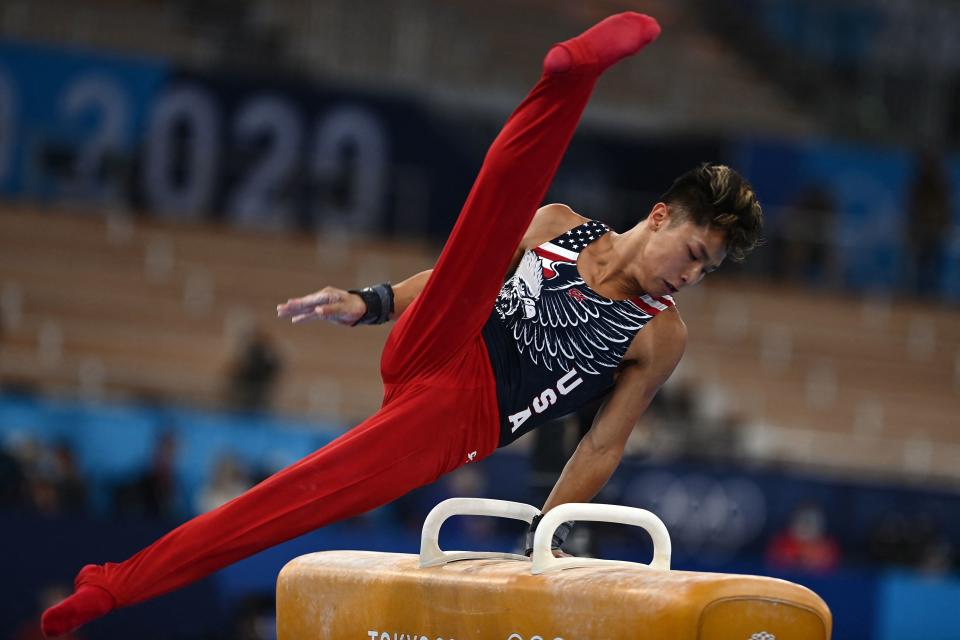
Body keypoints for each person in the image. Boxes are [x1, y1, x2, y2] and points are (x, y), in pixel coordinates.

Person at [41, 12, 763, 636]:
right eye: (695, 254)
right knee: (497, 207)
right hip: (443, 337)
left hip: (461, 414)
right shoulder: (562, 227)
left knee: (288, 500)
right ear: (662, 215)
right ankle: (570, 76)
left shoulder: (657, 334)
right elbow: (458, 273)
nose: (691, 276)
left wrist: (546, 533)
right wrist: (371, 301)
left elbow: (601, 447)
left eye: (708, 271)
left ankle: (113, 586)